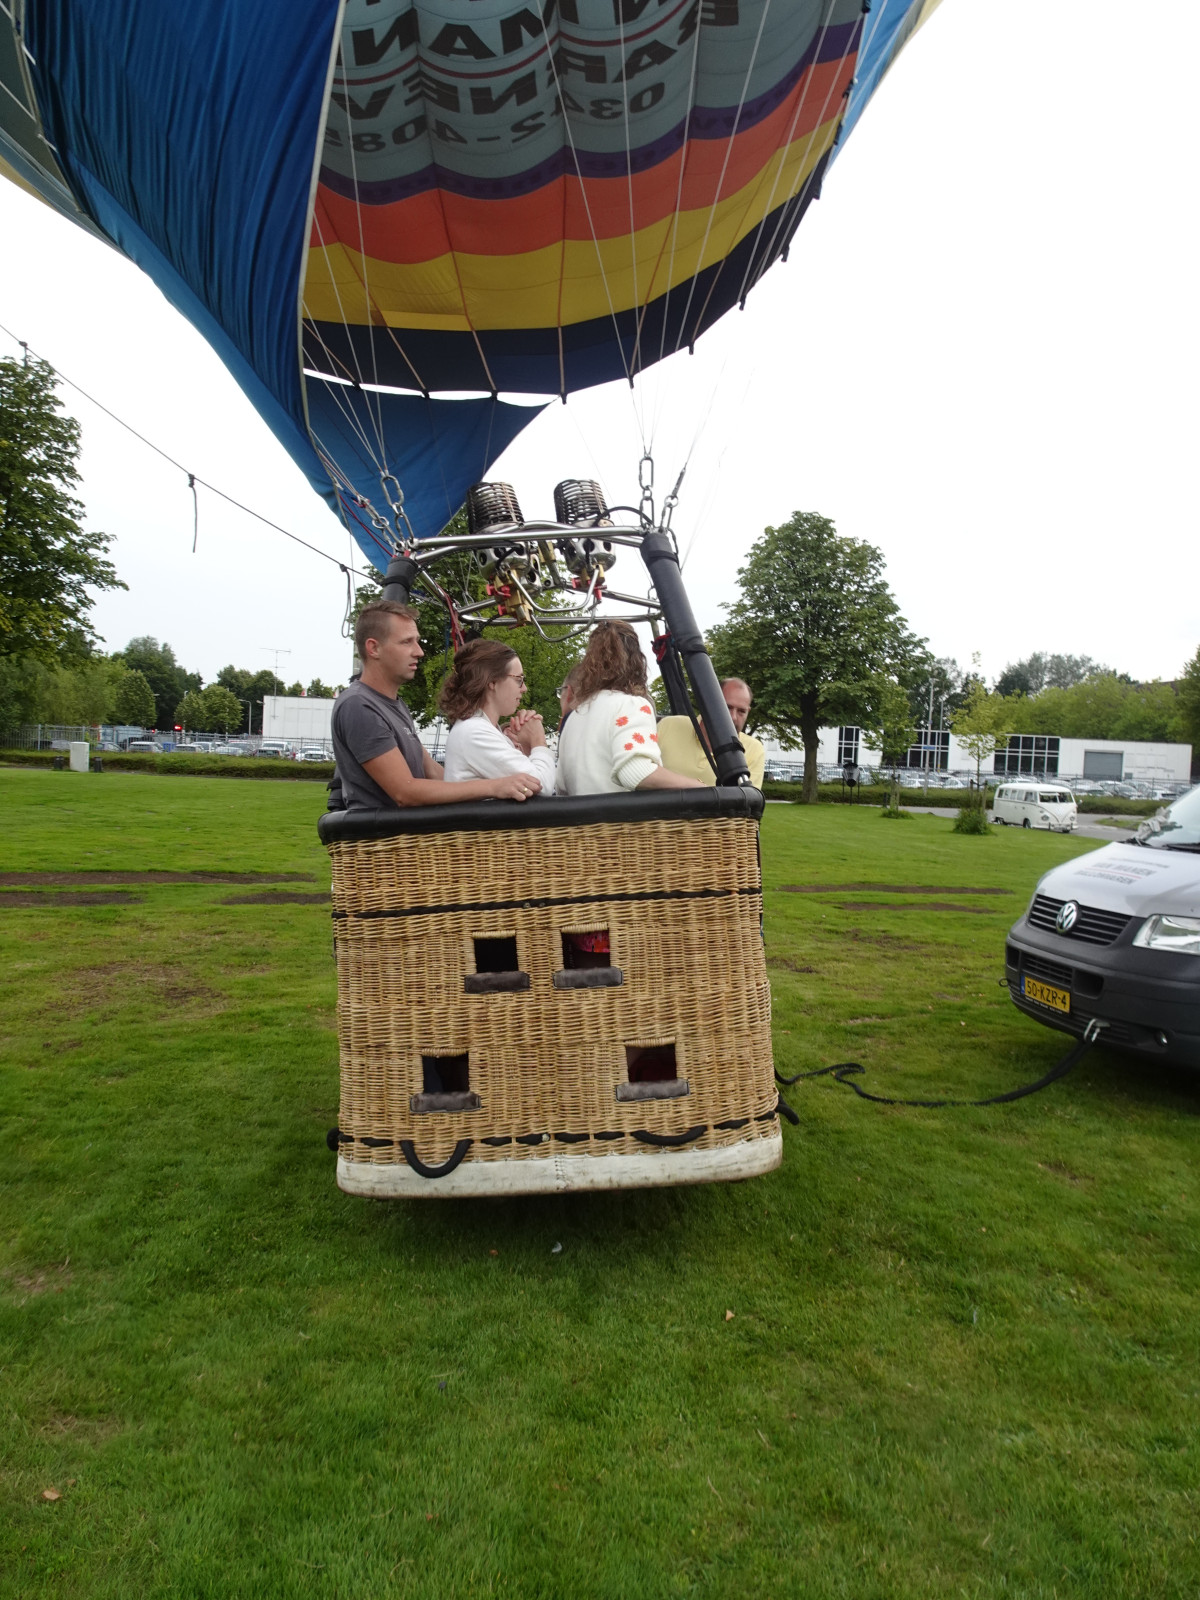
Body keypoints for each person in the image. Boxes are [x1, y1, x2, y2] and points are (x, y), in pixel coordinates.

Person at [331, 601, 540, 808]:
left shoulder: (394, 705)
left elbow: (432, 771)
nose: (419, 651)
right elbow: (404, 792)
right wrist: (494, 786)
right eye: (406, 642)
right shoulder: (358, 706)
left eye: (417, 641)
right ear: (374, 648)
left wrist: (500, 746)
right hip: (384, 830)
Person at [556, 620, 703, 795]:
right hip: (621, 813)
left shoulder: (575, 717)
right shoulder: (631, 705)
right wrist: (698, 786)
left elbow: (561, 786)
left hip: (584, 812)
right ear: (636, 659)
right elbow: (636, 772)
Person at [440, 638, 555, 795]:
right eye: (518, 680)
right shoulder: (475, 733)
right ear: (492, 681)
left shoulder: (480, 729)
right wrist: (538, 740)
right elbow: (542, 786)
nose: (524, 688)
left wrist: (526, 748)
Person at [656, 677, 766, 788]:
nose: (733, 717)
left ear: (748, 712)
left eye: (741, 711)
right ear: (709, 703)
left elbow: (747, 798)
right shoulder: (668, 726)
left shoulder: (754, 749)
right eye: (727, 707)